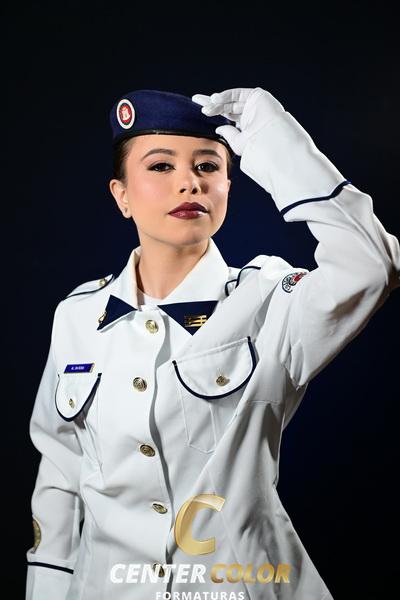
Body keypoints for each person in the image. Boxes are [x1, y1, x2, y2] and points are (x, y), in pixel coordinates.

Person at [25, 87, 400, 600]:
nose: (189, 182)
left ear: (228, 185)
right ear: (121, 195)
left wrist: (276, 142)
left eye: (207, 166)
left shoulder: (269, 300)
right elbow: (61, 472)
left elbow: (372, 265)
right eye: (161, 166)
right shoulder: (77, 315)